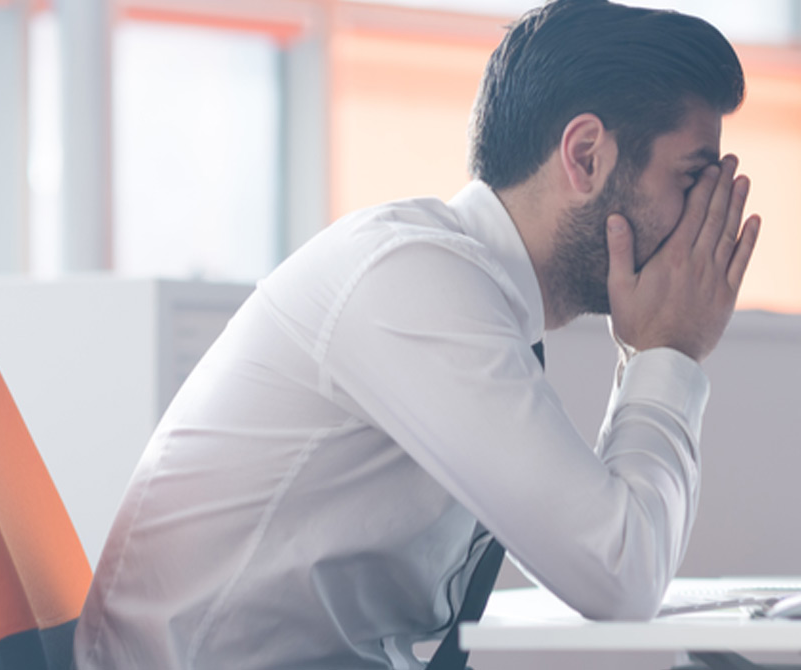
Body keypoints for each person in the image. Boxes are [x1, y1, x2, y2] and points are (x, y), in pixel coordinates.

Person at [74, 1, 757, 667]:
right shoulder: (416, 279)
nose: (711, 214)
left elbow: (613, 568)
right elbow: (621, 575)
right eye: (694, 178)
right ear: (584, 156)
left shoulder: (468, 290)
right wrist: (668, 352)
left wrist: (658, 352)